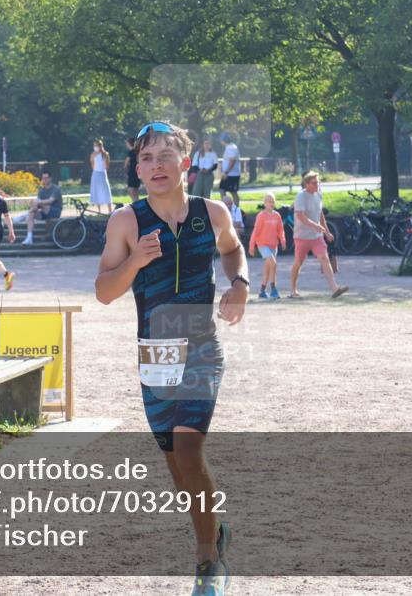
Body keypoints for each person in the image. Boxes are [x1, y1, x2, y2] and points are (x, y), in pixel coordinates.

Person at [95, 121, 246, 595]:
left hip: (201, 348)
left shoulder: (212, 212)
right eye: (146, 158)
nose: (156, 165)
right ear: (136, 169)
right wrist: (135, 260)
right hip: (155, 355)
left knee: (188, 450)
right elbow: (103, 292)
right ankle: (214, 529)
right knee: (177, 468)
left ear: (187, 161)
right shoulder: (126, 221)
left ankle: (207, 564)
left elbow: (234, 250)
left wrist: (239, 283)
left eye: (165, 156)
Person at [289, 171, 348, 299]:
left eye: (318, 182)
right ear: (306, 184)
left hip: (316, 236)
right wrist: (316, 226)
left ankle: (335, 289)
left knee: (324, 258)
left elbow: (320, 215)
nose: (317, 184)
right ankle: (293, 290)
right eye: (314, 183)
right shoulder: (301, 196)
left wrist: (326, 232)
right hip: (301, 236)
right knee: (298, 262)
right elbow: (300, 216)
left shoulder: (319, 195)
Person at [248, 193, 287, 299]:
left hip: (274, 245)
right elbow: (255, 232)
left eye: (273, 201)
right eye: (269, 201)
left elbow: (280, 230)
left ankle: (262, 291)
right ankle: (274, 289)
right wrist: (252, 246)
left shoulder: (277, 215)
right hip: (262, 245)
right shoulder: (261, 216)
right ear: (264, 203)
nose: (271, 203)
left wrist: (283, 240)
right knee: (273, 263)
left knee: (268, 268)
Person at [21, 171, 63, 246]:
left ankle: (23, 216)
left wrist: (37, 203)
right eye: (43, 178)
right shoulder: (41, 190)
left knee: (38, 202)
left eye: (46, 178)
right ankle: (29, 238)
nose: (45, 180)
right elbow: (36, 204)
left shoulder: (56, 188)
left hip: (55, 212)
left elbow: (50, 201)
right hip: (44, 212)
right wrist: (35, 204)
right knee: (32, 213)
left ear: (50, 178)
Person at [89, 139, 113, 213]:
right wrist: (94, 156)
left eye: (96, 145)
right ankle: (99, 210)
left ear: (100, 146)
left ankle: (110, 210)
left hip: (102, 173)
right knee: (96, 191)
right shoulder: (93, 154)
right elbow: (93, 166)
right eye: (94, 145)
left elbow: (106, 166)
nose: (95, 147)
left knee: (106, 191)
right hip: (95, 173)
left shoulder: (105, 154)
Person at [218, 132, 241, 206]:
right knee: (222, 189)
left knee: (233, 192)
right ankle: (226, 206)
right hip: (229, 174)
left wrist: (226, 172)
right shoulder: (229, 147)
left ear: (223, 140)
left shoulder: (231, 147)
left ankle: (235, 209)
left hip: (231, 174)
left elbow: (232, 161)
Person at [123, 136, 141, 202]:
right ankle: (137, 202)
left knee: (131, 189)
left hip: (132, 172)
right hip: (138, 172)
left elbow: (126, 162)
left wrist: (125, 170)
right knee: (135, 190)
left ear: (129, 143)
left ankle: (135, 202)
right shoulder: (137, 151)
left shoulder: (131, 152)